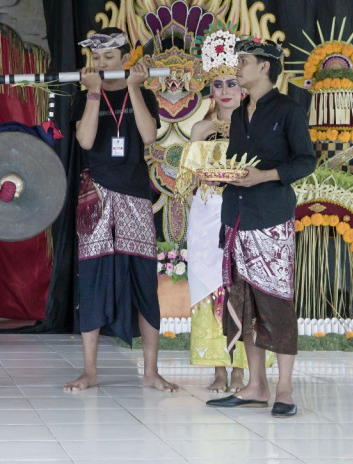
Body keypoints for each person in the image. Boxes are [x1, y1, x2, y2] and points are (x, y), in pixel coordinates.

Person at [207, 38, 315, 418]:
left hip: (271, 219)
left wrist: (264, 176)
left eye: (244, 61)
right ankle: (256, 386)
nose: (237, 67)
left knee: (275, 303)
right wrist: (221, 175)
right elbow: (240, 164)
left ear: (266, 67)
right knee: (245, 303)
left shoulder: (288, 110)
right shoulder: (238, 114)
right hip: (236, 217)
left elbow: (306, 162)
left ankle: (283, 390)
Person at [65, 27, 177, 393]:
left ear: (125, 59)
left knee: (144, 280)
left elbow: (148, 136)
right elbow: (84, 140)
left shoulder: (142, 94)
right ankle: (90, 371)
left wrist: (132, 87)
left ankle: (150, 371)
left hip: (134, 197)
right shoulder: (84, 98)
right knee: (93, 277)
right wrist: (94, 92)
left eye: (108, 59)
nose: (100, 64)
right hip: (95, 195)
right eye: (96, 59)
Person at [178, 29, 252, 392]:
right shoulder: (201, 129)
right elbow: (186, 180)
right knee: (210, 287)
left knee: (242, 287)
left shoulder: (253, 128)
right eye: (219, 83)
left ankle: (240, 368)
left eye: (232, 82)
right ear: (211, 89)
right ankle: (218, 367)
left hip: (245, 213)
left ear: (244, 87)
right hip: (208, 216)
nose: (225, 90)